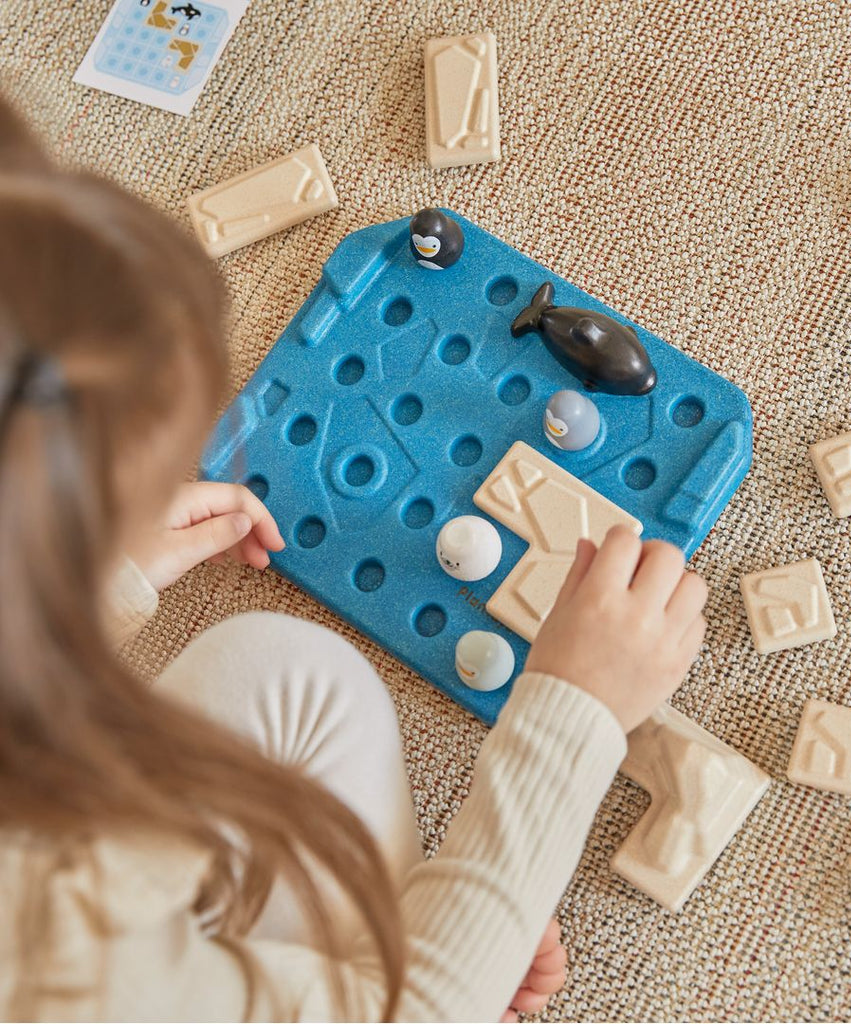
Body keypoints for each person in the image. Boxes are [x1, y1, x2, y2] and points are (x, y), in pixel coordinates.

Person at [0, 95, 708, 1022]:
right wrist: (573, 716)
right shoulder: (63, 966)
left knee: (284, 666)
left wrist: (93, 584)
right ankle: (416, 962)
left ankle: (420, 947)